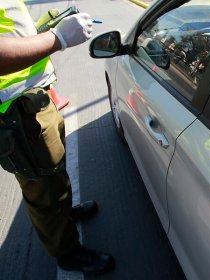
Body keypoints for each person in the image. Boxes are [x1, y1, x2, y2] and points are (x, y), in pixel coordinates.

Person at [0, 1, 114, 274]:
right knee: (42, 188)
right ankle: (67, 251)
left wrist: (44, 31)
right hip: (15, 110)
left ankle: (63, 213)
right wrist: (57, 38)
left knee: (54, 173)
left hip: (33, 100)